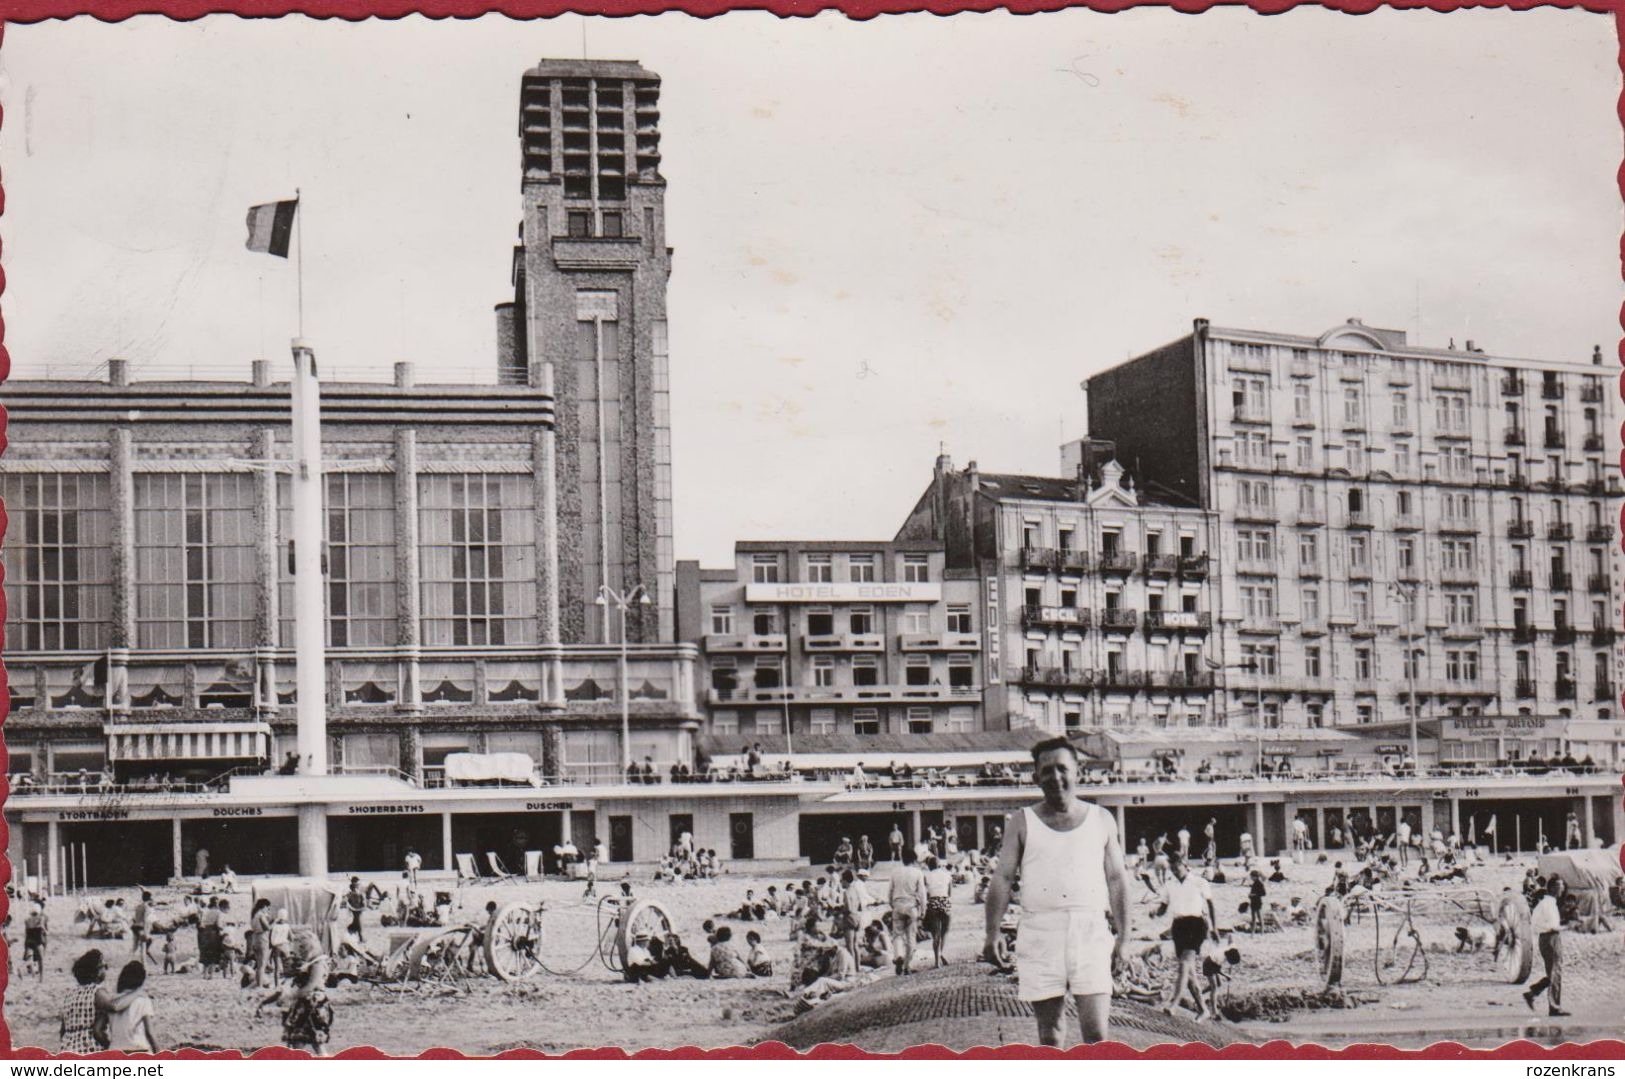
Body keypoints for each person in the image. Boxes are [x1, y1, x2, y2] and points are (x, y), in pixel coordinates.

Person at [984, 737, 1131, 1046]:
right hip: (1040, 932)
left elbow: (1117, 879)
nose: (1056, 777)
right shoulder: (1021, 822)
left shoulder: (1101, 819)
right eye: (1046, 770)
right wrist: (992, 934)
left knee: (1096, 1035)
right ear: (1036, 777)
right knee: (1050, 1034)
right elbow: (1002, 878)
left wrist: (1124, 938)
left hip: (1090, 930)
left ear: (1077, 771)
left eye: (1062, 768)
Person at [1162, 854, 1217, 1022]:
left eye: (1177, 868)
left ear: (1185, 865)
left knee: (1184, 964)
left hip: (1197, 924)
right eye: (1172, 869)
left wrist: (1214, 927)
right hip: (1178, 925)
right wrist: (1154, 912)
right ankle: (1203, 1009)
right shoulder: (1169, 884)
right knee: (1189, 972)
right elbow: (1163, 907)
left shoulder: (1199, 882)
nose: (1175, 871)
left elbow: (1210, 905)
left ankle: (1174, 1003)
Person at [1524, 877, 1570, 1016]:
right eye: (1560, 886)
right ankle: (1554, 1007)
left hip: (1545, 938)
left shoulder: (1545, 903)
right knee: (1556, 972)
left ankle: (1533, 993)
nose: (1562, 888)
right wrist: (1566, 927)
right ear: (1553, 888)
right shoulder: (1549, 905)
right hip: (1551, 938)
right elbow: (1552, 926)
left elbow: (1536, 923)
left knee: (1553, 972)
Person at [888, 844, 928, 975]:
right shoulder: (918, 873)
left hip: (897, 904)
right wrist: (923, 910)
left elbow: (890, 891)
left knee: (897, 935)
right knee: (911, 937)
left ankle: (898, 956)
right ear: (914, 860)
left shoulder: (895, 872)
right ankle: (907, 965)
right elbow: (922, 893)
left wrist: (892, 904)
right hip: (911, 906)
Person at [104, 961, 160, 1053]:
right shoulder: (143, 1000)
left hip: (116, 1050)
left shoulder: (112, 1000)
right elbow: (149, 1033)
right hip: (138, 1049)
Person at [923, 854, 954, 968]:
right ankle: (942, 952)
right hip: (944, 901)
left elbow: (925, 892)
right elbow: (950, 892)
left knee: (935, 933)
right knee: (944, 931)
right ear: (939, 865)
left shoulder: (926, 876)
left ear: (929, 866)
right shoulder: (947, 874)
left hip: (933, 902)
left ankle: (936, 961)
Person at [24, 900, 49, 982]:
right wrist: (45, 931)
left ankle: (32, 971)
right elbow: (42, 927)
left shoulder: (27, 920)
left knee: (30, 958)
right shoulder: (41, 918)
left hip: (29, 940)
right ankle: (41, 978)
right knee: (41, 959)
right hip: (38, 940)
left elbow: (26, 932)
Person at [131, 891, 154, 962]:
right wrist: (146, 932)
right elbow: (145, 920)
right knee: (143, 948)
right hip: (141, 928)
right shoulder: (146, 907)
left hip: (135, 927)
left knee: (134, 947)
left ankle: (127, 961)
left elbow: (135, 918)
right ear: (149, 898)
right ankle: (144, 967)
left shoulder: (138, 906)